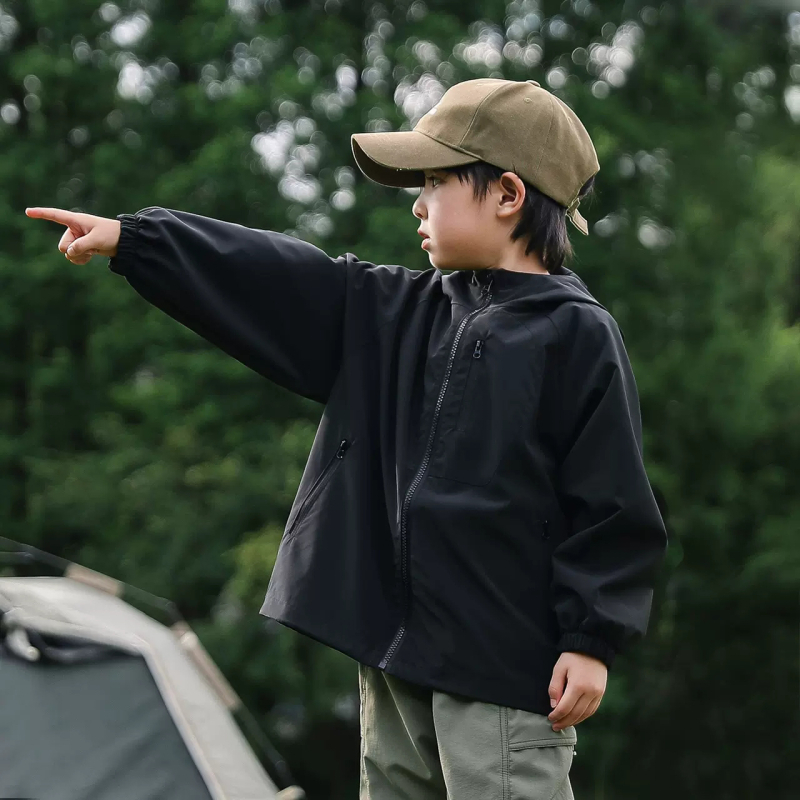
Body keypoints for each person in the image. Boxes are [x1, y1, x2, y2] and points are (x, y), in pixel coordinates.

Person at [26, 77, 668, 799]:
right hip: (393, 660)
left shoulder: (576, 335)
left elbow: (612, 503)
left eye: (434, 182)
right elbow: (276, 277)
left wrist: (589, 640)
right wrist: (138, 243)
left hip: (500, 674)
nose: (418, 204)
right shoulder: (395, 313)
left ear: (508, 195)